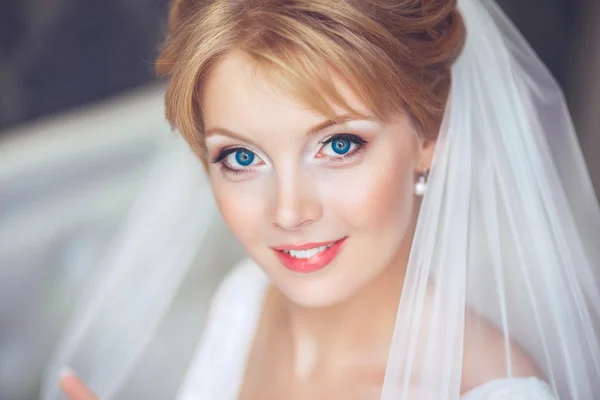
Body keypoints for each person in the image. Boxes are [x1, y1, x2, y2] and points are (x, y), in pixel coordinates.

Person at [46, 0, 600, 399]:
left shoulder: (488, 392)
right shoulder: (242, 304)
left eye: (338, 145)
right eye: (241, 158)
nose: (289, 211)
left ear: (430, 138)